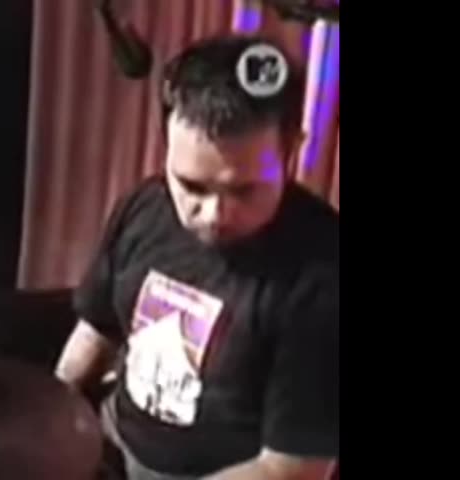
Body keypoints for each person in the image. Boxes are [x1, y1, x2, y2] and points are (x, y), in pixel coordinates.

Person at [55, 35, 338, 480]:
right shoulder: (145, 206)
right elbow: (96, 329)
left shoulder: (323, 275)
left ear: (292, 151)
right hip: (111, 442)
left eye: (244, 190)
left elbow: (292, 468)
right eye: (191, 186)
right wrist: (46, 421)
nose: (214, 214)